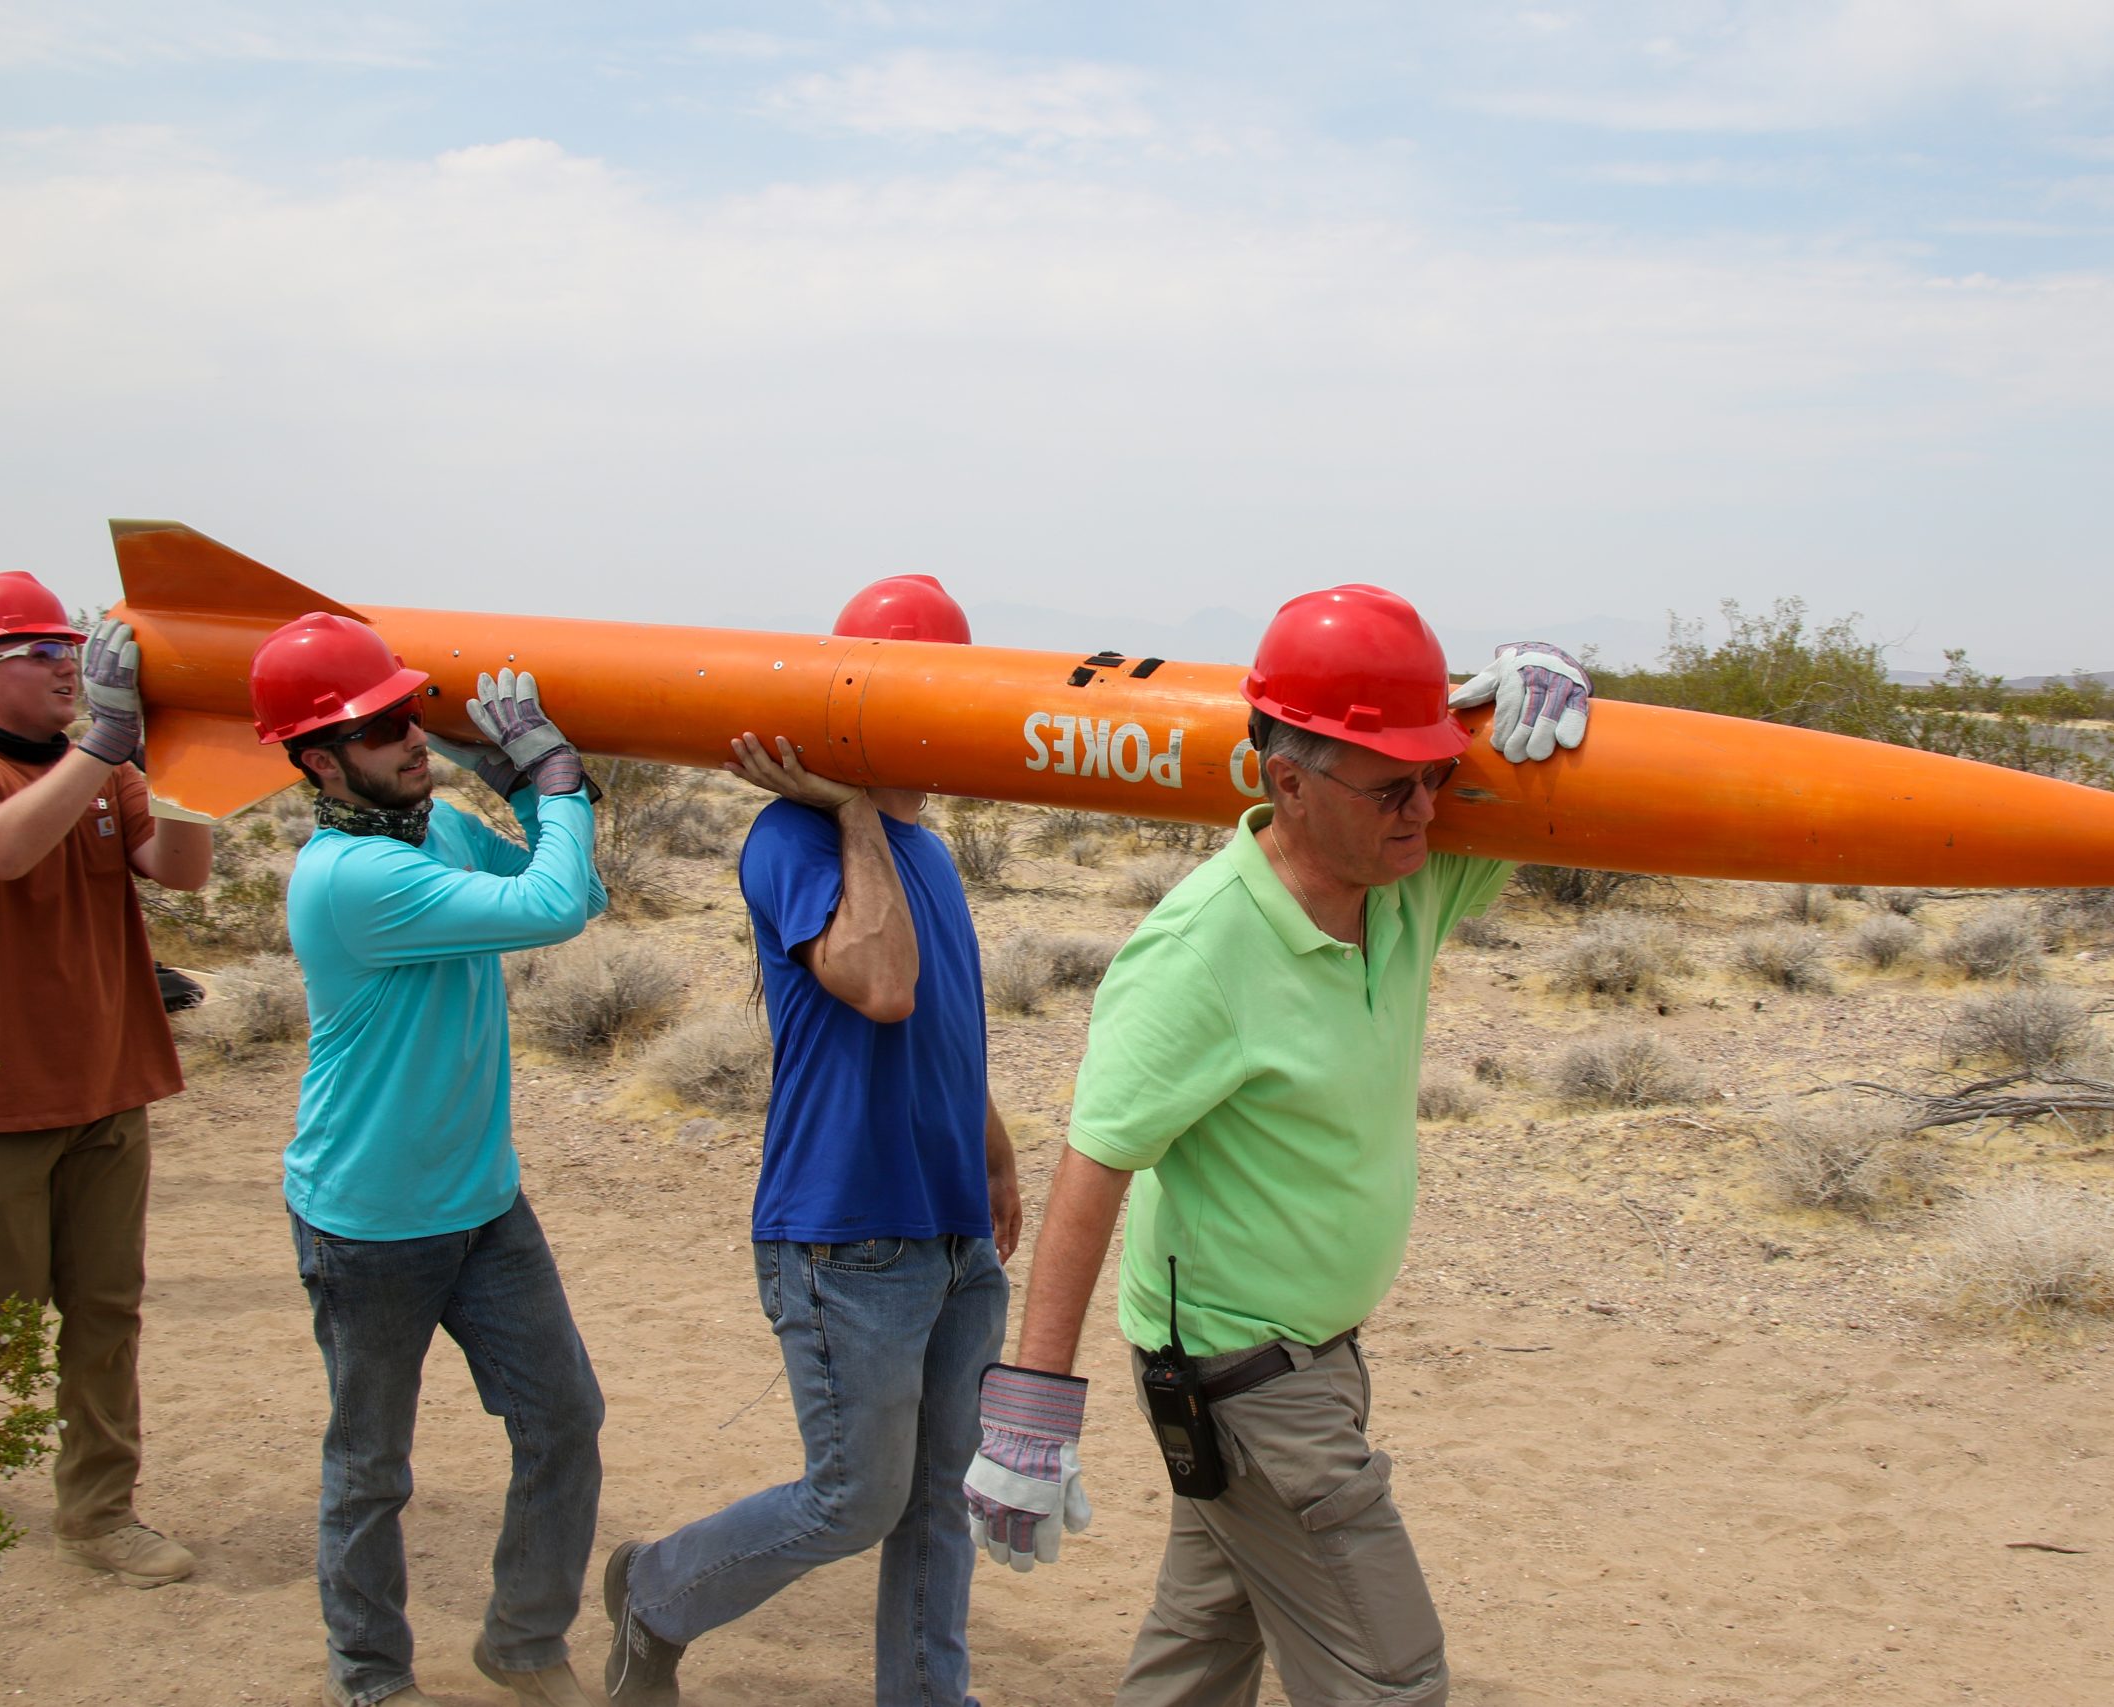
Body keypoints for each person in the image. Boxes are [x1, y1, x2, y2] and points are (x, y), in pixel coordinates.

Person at [963, 587, 1587, 1706]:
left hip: (1307, 1362)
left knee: (1196, 1660)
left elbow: (1549, 786)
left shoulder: (1403, 879)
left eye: (1437, 776)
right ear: (1286, 781)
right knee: (1389, 1680)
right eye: (1393, 783)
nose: (1424, 808)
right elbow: (1094, 1165)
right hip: (1245, 1382)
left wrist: (1555, 677)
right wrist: (1030, 1410)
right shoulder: (1199, 953)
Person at [603, 575, 1022, 1707]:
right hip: (846, 1236)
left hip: (947, 1233)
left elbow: (944, 1024)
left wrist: (992, 1151)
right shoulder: (790, 836)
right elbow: (882, 984)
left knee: (940, 1493)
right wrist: (847, 809)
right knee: (854, 1498)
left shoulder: (926, 853)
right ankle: (654, 1592)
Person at [253, 612, 612, 1707]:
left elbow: (581, 895)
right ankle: (369, 1678)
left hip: (481, 1205)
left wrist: (515, 786)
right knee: (372, 1469)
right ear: (320, 761)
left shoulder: (434, 833)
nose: (412, 738)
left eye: (411, 713)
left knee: (563, 1420)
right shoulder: (343, 877)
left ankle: (523, 1639)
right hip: (368, 1220)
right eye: (379, 727)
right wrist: (551, 775)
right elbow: (551, 906)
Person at [0, 573, 213, 1582]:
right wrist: (103, 749)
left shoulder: (104, 768)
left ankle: (100, 1510)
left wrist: (194, 764)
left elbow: (183, 870)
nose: (68, 667)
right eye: (42, 654)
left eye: (71, 650)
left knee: (107, 1308)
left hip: (110, 1082)